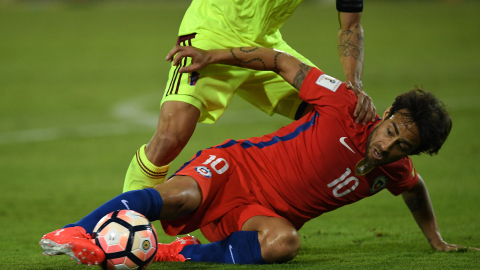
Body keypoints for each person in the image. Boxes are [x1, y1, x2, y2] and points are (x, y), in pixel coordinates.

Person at [40, 46, 476, 266]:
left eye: (403, 145)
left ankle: (176, 253)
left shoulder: (395, 169)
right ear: (385, 114)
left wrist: (434, 238)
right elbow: (279, 61)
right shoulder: (345, 104)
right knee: (180, 199)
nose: (388, 145)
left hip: (259, 216)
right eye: (391, 130)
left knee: (285, 244)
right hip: (236, 170)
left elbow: (415, 189)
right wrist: (213, 56)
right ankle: (74, 231)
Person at [122, 0, 376, 192]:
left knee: (341, 112)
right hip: (210, 32)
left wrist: (354, 83)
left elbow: (351, 24)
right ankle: (122, 223)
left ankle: (268, 202)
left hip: (265, 46)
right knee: (169, 138)